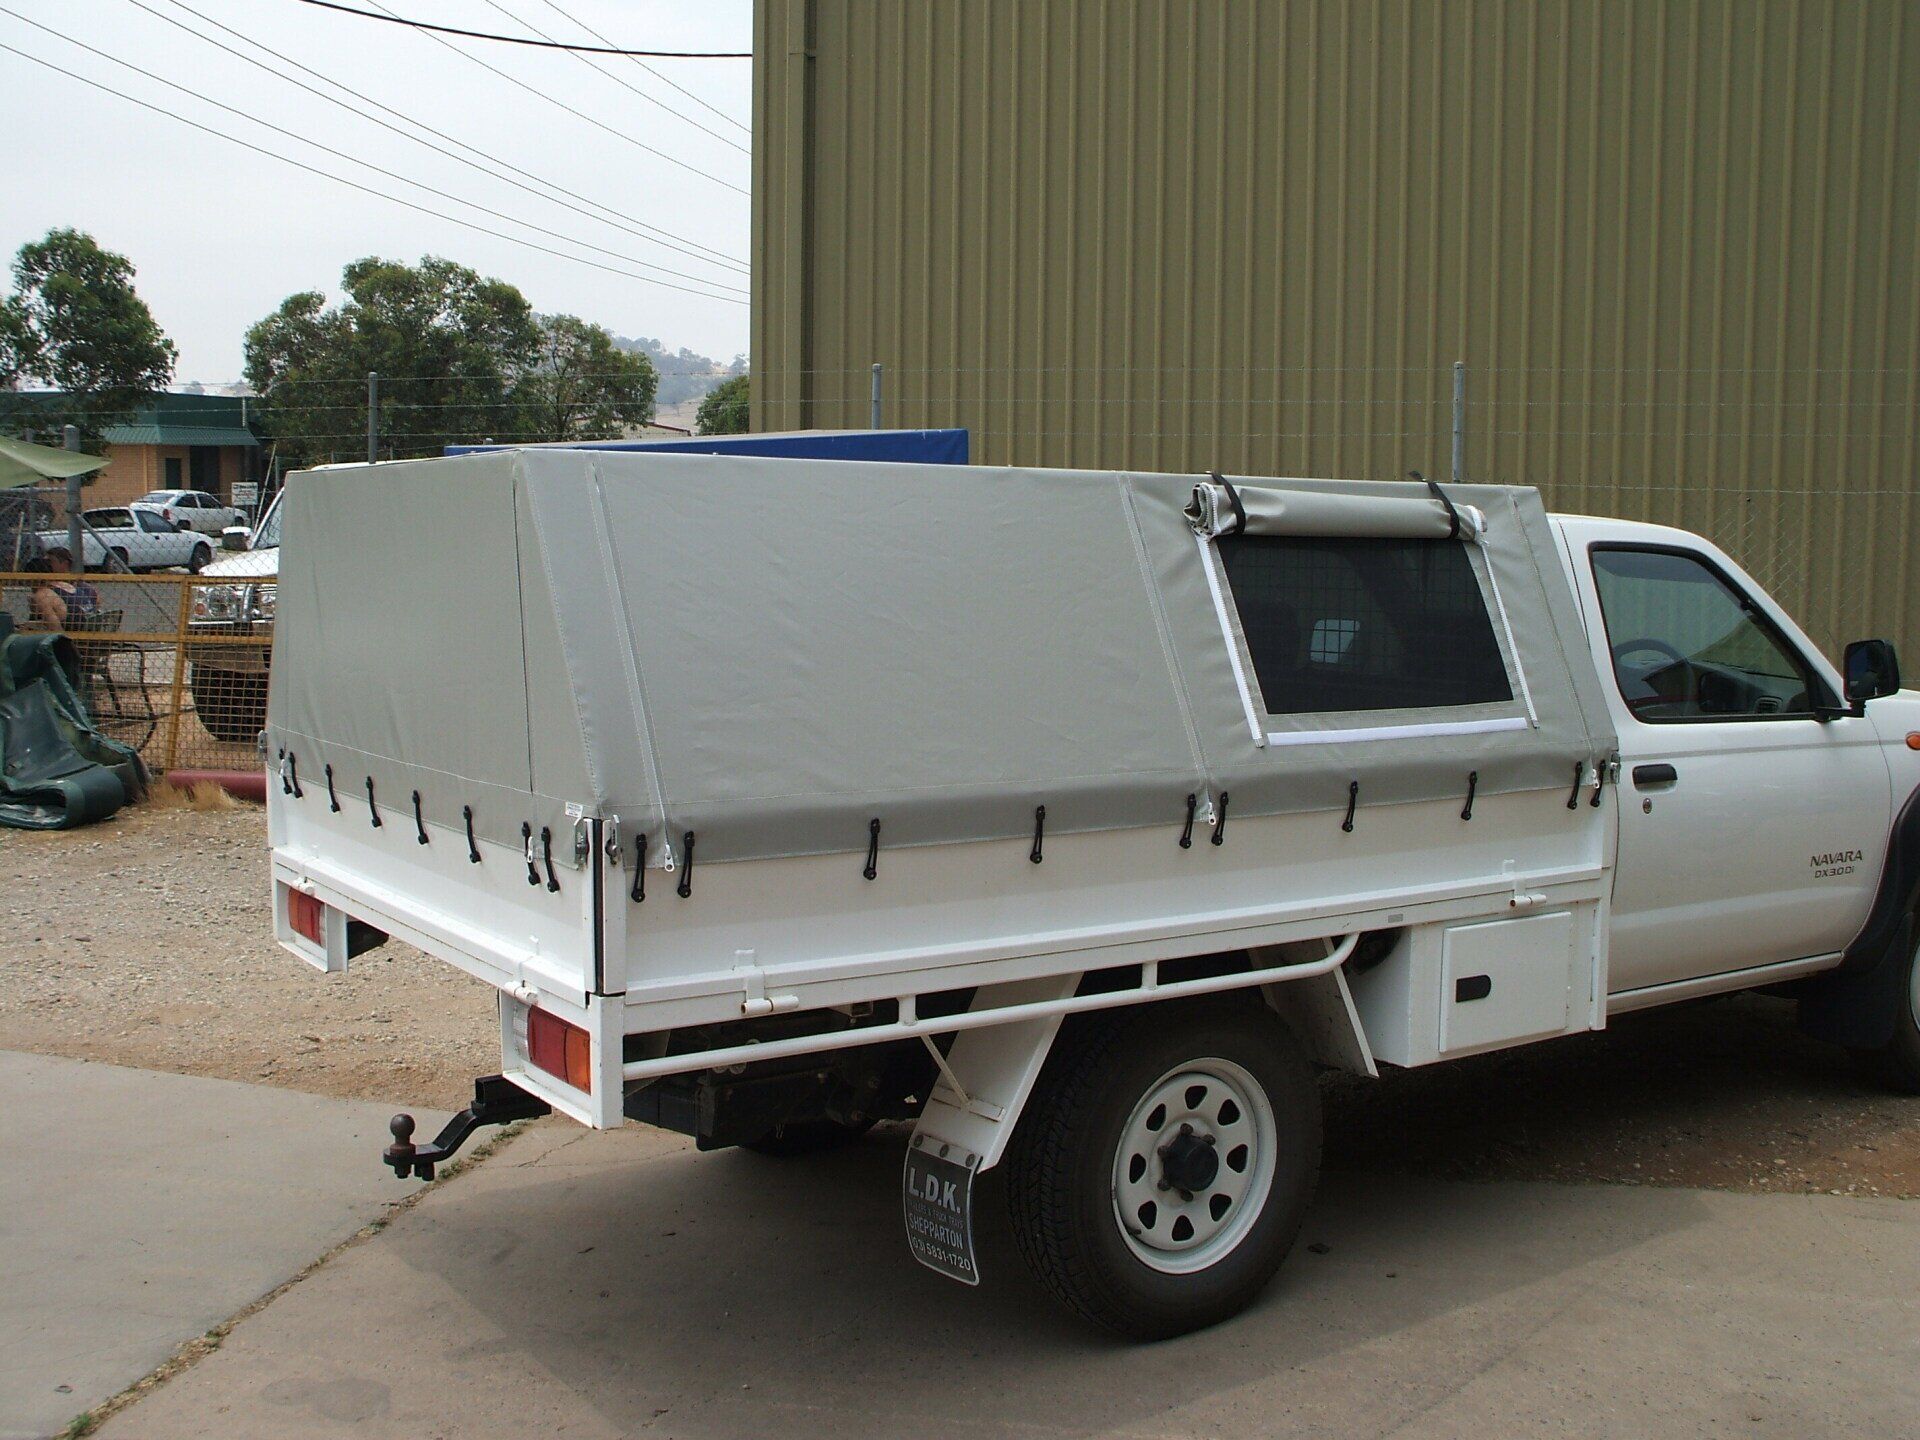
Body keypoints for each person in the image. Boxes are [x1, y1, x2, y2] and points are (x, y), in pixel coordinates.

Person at [29, 546, 100, 628]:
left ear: (65, 563)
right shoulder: (69, 586)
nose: (48, 565)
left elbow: (55, 628)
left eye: (50, 561)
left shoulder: (83, 588)